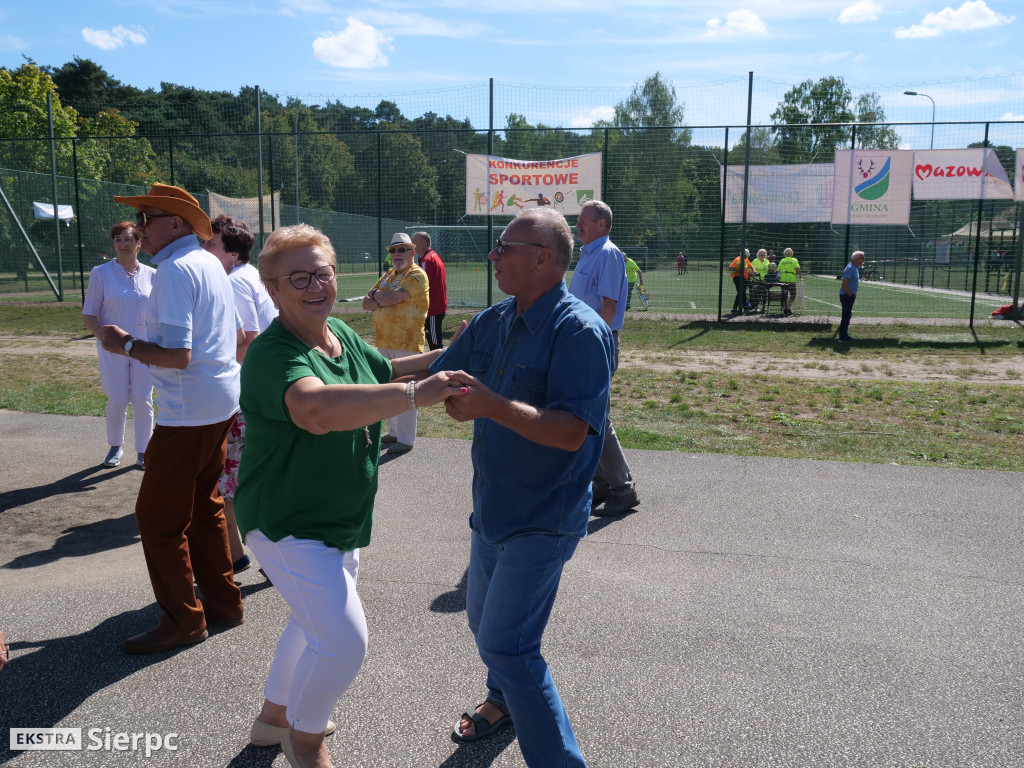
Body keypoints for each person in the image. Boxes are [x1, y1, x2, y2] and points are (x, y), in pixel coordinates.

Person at [234, 224, 465, 768]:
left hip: (339, 517)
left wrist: (451, 357)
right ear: (271, 288)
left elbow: (385, 370)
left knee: (308, 620)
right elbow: (316, 410)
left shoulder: (338, 332)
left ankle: (272, 720)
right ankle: (306, 741)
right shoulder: (273, 353)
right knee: (343, 640)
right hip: (288, 522)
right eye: (299, 277)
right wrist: (414, 396)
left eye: (324, 272)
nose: (316, 285)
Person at [430, 208, 614, 767]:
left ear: (543, 258)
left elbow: (571, 433)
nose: (494, 256)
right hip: (493, 507)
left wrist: (491, 406)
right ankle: (502, 700)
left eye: (505, 247)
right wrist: (348, 364)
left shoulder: (580, 331)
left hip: (544, 515)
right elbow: (441, 368)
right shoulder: (495, 318)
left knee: (508, 643)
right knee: (487, 628)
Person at [99, 183, 244, 654]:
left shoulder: (176, 270)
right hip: (217, 402)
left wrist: (121, 343)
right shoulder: (207, 262)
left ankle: (184, 619)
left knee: (158, 519)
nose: (139, 229)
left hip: (188, 412)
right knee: (204, 505)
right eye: (139, 219)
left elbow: (177, 355)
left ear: (176, 222)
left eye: (148, 217)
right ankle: (223, 602)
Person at [202, 214, 278, 574]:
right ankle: (256, 554)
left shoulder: (233, 283)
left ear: (233, 253)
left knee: (231, 479)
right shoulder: (253, 279)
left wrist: (207, 360)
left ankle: (237, 555)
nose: (204, 248)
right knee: (255, 475)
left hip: (246, 395)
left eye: (212, 243)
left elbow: (247, 340)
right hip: (263, 390)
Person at [569, 200, 639, 516]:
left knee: (595, 417)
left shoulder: (608, 254)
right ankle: (602, 485)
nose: (578, 223)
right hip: (584, 343)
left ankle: (623, 490)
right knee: (587, 416)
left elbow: (608, 307)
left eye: (584, 219)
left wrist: (593, 344)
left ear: (602, 225)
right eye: (578, 219)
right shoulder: (589, 254)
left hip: (597, 343)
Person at [82, 221, 156, 469]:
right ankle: (115, 446)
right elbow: (89, 314)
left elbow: (157, 313)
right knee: (117, 399)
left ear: (139, 242)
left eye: (128, 239)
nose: (123, 245)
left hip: (143, 349)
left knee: (143, 399)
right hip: (112, 350)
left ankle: (144, 451)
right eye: (118, 240)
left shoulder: (152, 275)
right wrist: (105, 340)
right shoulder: (100, 273)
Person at [361, 233, 430, 455]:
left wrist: (379, 298)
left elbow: (391, 299)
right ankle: (394, 432)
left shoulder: (417, 275)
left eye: (402, 249)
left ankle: (406, 439)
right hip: (384, 340)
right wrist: (382, 297)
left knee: (407, 389)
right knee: (387, 387)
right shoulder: (388, 275)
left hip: (407, 342)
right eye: (393, 250)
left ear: (412, 252)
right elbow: (365, 303)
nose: (397, 254)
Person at [414, 231, 447, 350]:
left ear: (424, 243)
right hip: (437, 306)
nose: (413, 246)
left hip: (432, 309)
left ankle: (440, 366)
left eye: (415, 242)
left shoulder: (427, 261)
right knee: (435, 341)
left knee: (435, 345)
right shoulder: (434, 256)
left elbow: (421, 286)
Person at [838, 250, 865, 343]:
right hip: (846, 295)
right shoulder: (850, 268)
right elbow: (844, 283)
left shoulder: (854, 268)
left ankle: (845, 335)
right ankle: (842, 337)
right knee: (846, 316)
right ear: (856, 259)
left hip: (849, 295)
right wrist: (849, 294)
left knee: (847, 316)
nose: (863, 261)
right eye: (862, 258)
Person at [778, 247, 802, 316]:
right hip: (791, 279)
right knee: (793, 294)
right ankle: (788, 307)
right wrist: (800, 277)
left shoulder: (782, 260)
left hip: (783, 279)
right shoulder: (794, 260)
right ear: (792, 254)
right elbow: (798, 269)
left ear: (784, 254)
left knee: (783, 295)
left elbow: (777, 270)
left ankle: (785, 309)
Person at [729, 249, 752, 313]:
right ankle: (745, 307)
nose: (746, 257)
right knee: (742, 292)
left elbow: (751, 266)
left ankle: (736, 308)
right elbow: (730, 268)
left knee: (741, 292)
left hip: (745, 278)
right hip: (738, 277)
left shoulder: (746, 259)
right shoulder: (737, 259)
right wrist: (738, 269)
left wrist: (754, 270)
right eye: (746, 256)